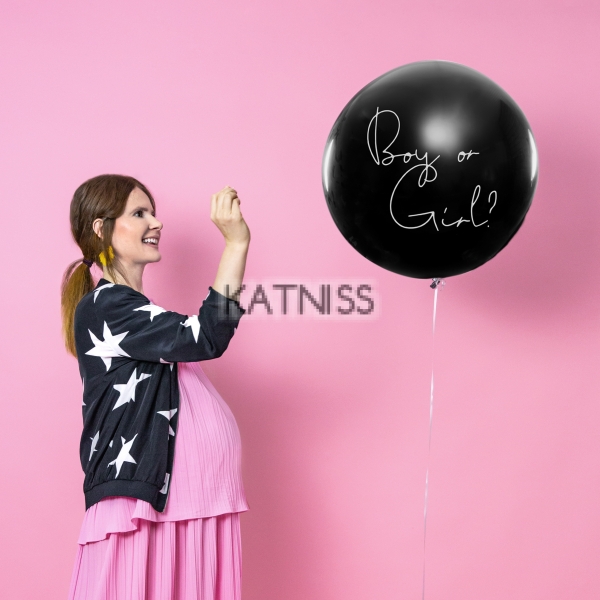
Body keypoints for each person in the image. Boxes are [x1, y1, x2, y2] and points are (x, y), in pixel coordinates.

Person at [61, 174, 251, 600]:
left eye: (153, 212)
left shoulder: (139, 315)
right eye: (139, 213)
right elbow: (206, 336)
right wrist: (236, 244)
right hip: (146, 507)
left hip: (187, 505)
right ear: (101, 227)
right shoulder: (107, 306)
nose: (156, 222)